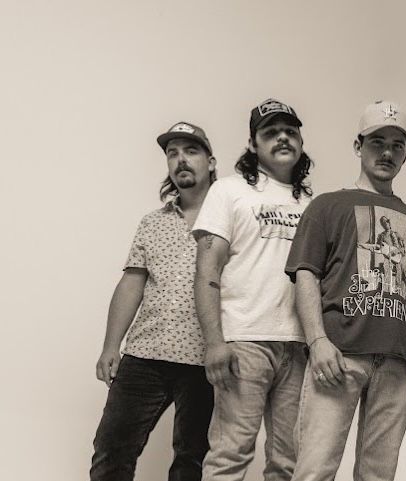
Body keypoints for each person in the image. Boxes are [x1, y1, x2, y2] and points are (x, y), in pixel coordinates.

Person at [285, 101, 406, 481]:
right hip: (339, 354)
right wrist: (317, 341)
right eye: (377, 142)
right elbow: (306, 274)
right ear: (358, 146)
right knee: (315, 469)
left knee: (378, 474)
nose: (387, 153)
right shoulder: (327, 206)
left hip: (399, 361)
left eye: (397, 145)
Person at [193, 99, 314, 481]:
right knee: (230, 453)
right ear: (253, 144)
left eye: (290, 131)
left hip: (298, 345)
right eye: (271, 132)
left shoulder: (312, 204)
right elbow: (207, 269)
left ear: (300, 141)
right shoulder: (229, 191)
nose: (282, 137)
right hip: (244, 341)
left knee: (288, 462)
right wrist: (215, 342)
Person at [90, 121, 217, 481]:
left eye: (190, 151)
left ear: (211, 162)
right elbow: (132, 281)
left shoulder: (231, 217)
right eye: (172, 153)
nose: (181, 160)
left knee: (192, 462)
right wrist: (111, 346)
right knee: (111, 450)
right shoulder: (153, 222)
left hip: (206, 358)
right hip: (145, 353)